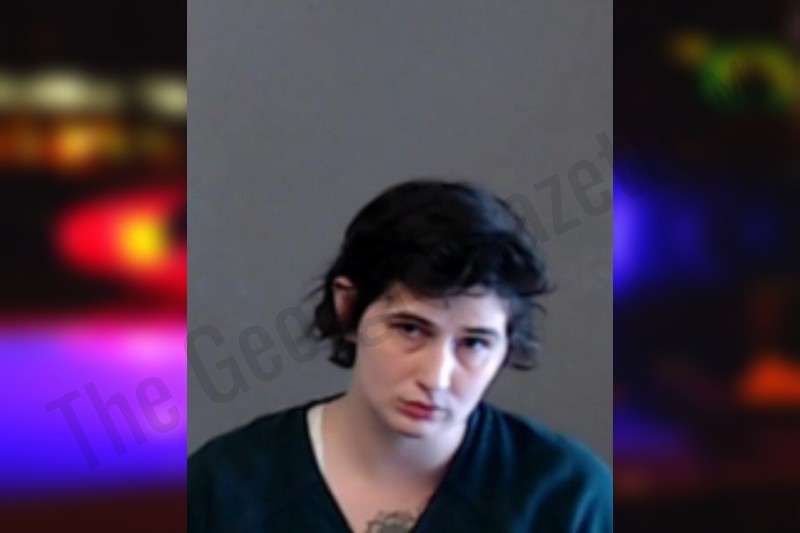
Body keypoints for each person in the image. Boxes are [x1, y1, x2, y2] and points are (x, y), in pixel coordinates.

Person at [188, 179, 612, 532]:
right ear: (348, 308)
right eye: (410, 329)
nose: (437, 378)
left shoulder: (566, 495)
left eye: (474, 343)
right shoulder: (224, 486)